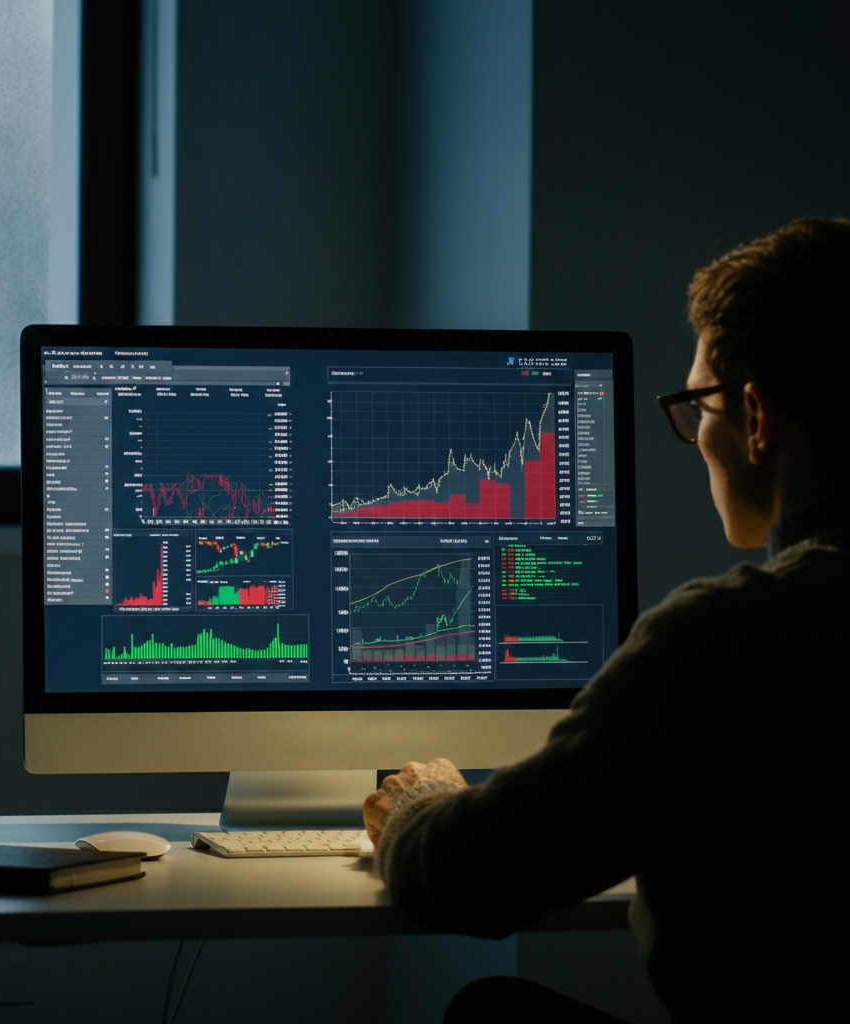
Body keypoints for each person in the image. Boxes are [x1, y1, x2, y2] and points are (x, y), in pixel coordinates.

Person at [363, 218, 850, 1023]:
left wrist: (422, 801)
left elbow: (469, 878)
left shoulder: (729, 638)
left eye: (699, 405)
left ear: (756, 416)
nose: (697, 436)